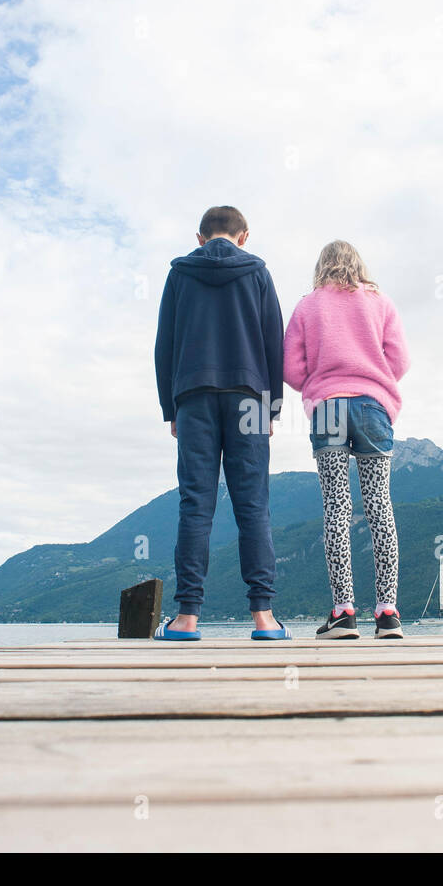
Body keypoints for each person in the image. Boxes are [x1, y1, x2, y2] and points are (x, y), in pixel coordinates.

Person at [153, 205, 288, 641]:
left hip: (193, 398)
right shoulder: (258, 274)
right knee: (253, 505)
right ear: (244, 236)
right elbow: (274, 343)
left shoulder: (179, 275)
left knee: (196, 504)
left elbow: (165, 345)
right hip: (250, 398)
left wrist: (169, 408)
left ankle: (187, 618)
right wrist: (273, 408)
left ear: (199, 237)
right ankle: (264, 619)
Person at [283, 240, 411, 639]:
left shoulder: (308, 306)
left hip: (329, 410)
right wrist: (372, 377)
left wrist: (321, 385)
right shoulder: (381, 302)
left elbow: (290, 367)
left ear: (321, 266)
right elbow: (401, 360)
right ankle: (387, 613)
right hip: (373, 408)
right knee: (379, 507)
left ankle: (343, 613)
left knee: (337, 507)